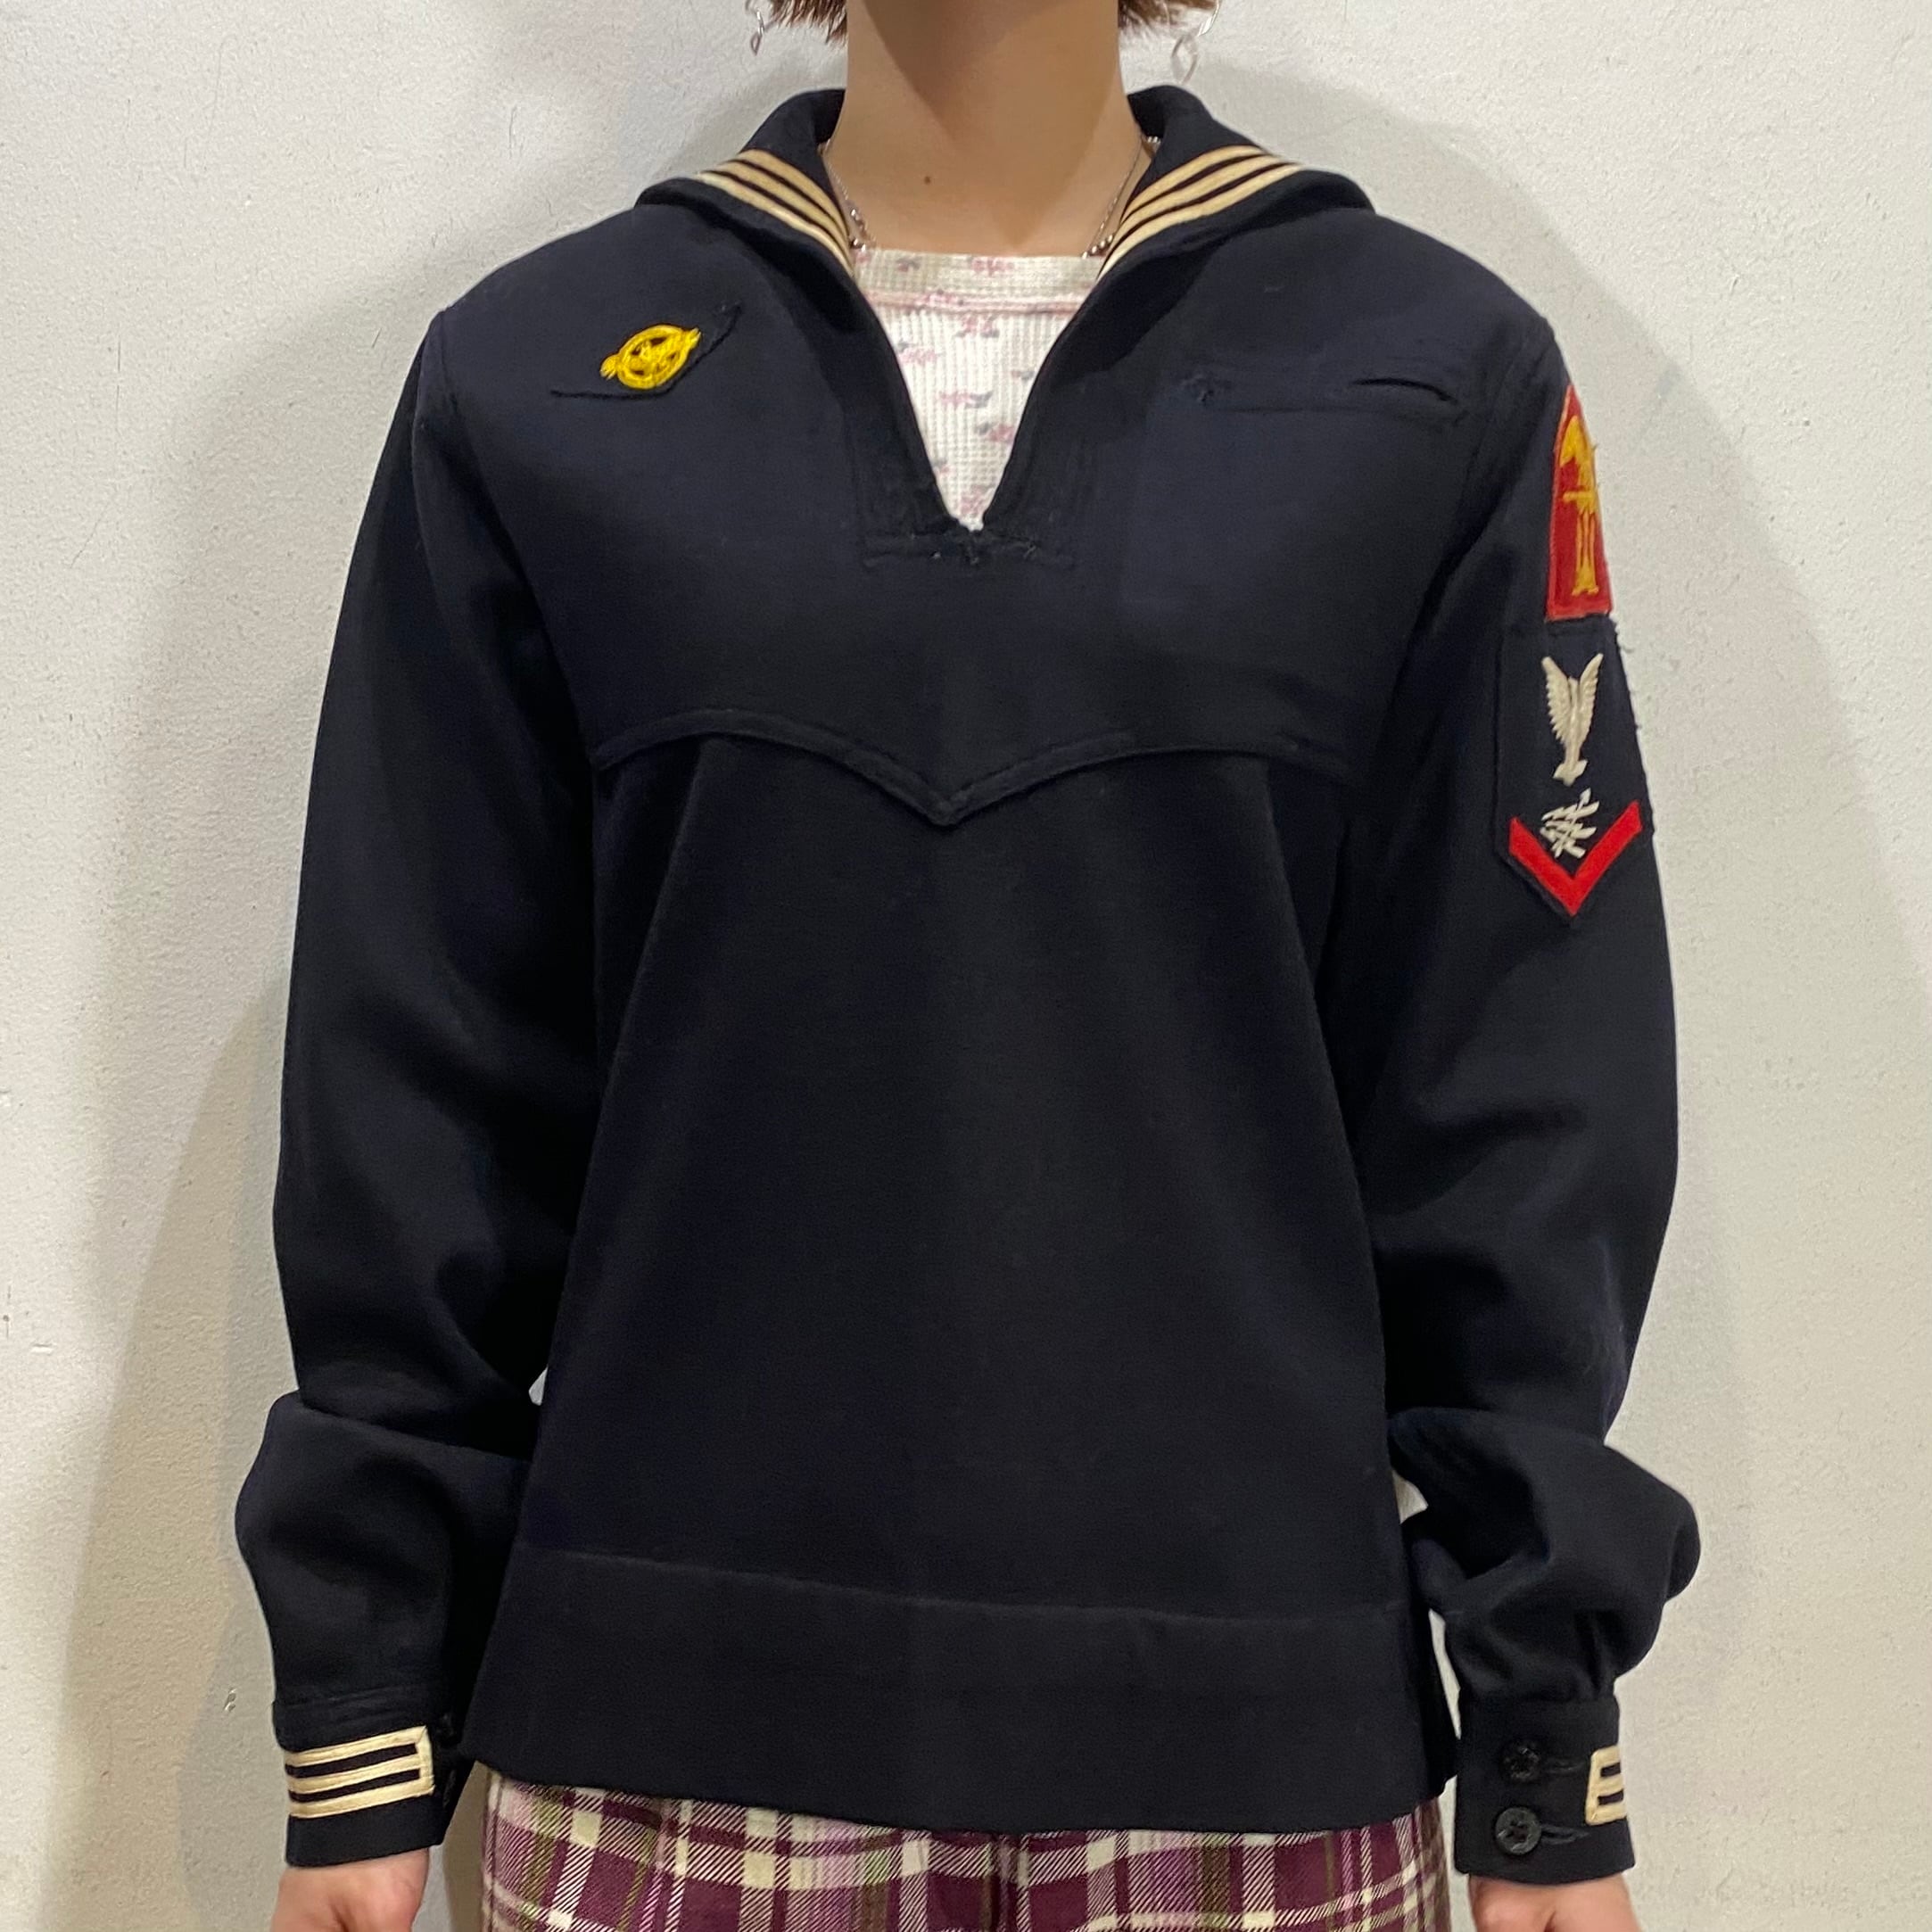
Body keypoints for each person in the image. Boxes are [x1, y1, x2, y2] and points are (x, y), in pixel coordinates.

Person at [234, 2, 1701, 1929]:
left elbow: (1516, 1076)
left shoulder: (1422, 373)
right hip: (664, 1752)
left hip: (1249, 1760)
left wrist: (1543, 1726)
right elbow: (422, 1066)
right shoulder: (539, 376)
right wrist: (364, 1693)